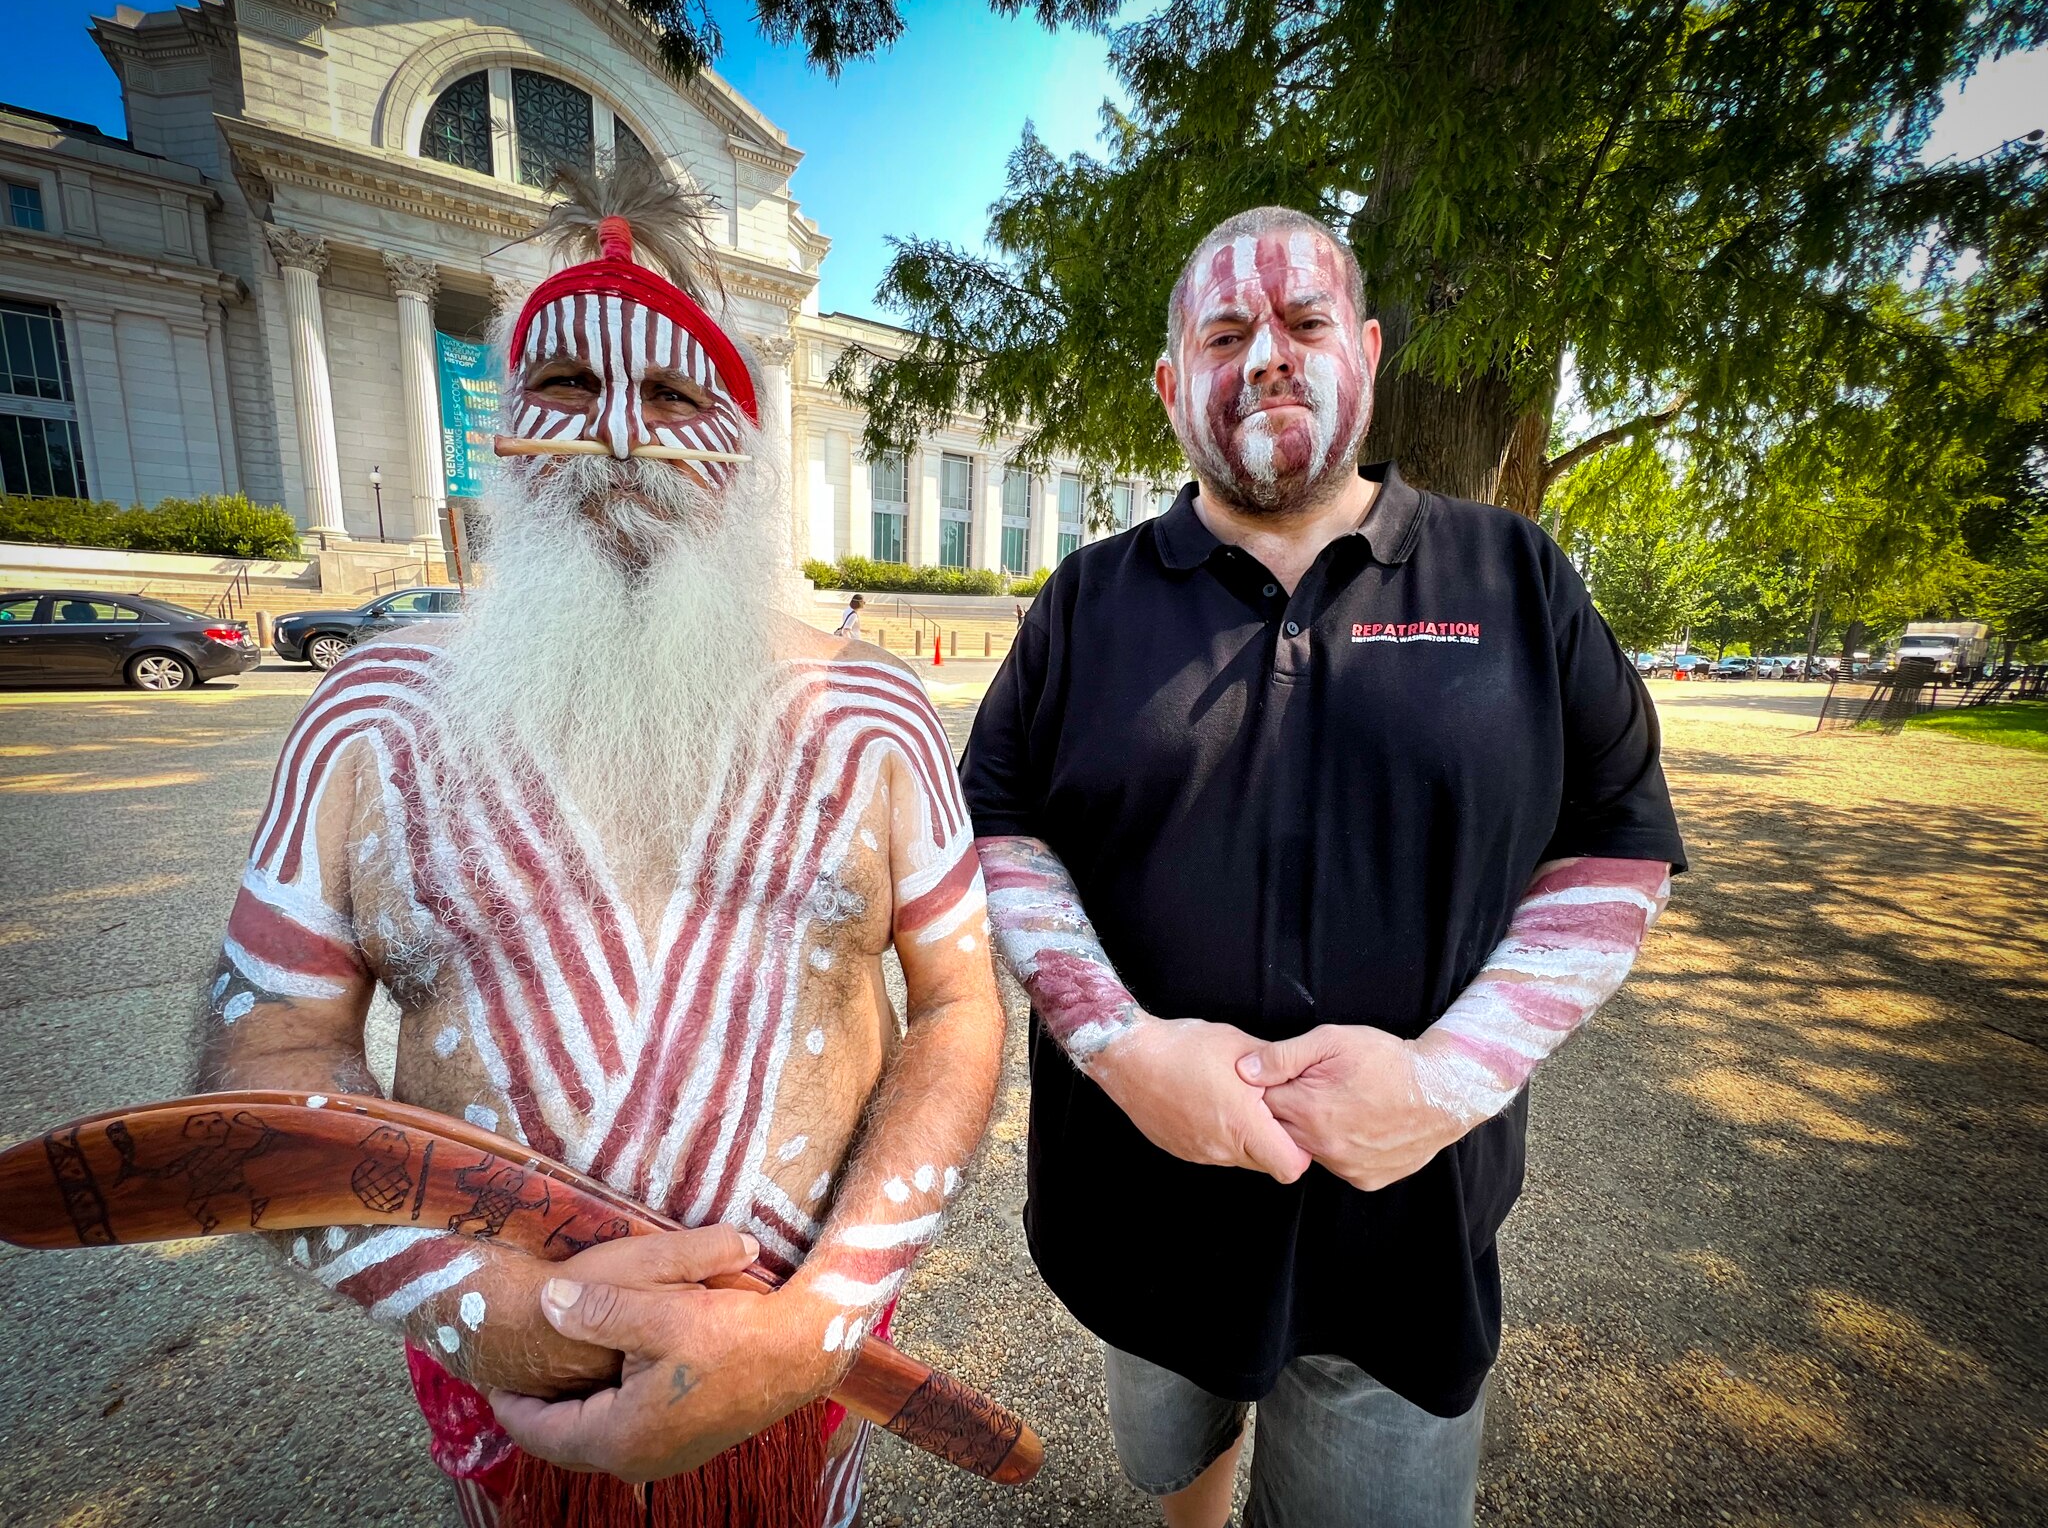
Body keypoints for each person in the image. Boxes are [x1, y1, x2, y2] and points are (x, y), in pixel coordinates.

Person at [196, 161, 1003, 1528]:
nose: (621, 431)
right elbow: (267, 1053)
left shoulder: (873, 716)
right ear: (504, 423)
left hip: (794, 1396)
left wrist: (820, 1318)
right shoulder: (373, 717)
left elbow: (962, 1006)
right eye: (566, 382)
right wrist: (496, 1308)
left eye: (679, 390)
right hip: (503, 1415)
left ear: (745, 442)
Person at [962, 206, 1686, 1528]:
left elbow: (1618, 839)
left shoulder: (1515, 575)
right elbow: (1001, 830)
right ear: (1174, 383)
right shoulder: (1081, 601)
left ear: (1361, 347)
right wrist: (1124, 1050)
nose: (1269, 356)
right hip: (1145, 1209)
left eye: (1302, 324)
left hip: (1405, 1231)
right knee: (1177, 1460)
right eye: (1226, 332)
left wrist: (1442, 1081)